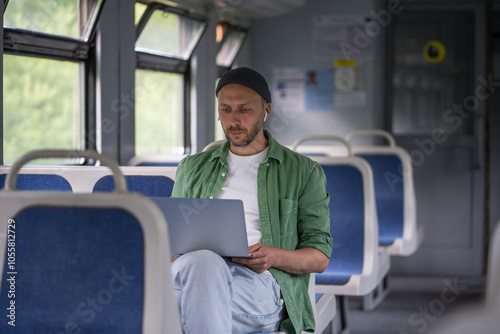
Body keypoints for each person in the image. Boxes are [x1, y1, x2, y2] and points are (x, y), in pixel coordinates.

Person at [170, 67, 333, 334]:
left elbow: (319, 257)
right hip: (189, 272)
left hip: (257, 281)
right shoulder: (191, 168)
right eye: (225, 110)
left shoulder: (303, 172)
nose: (233, 120)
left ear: (266, 110)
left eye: (244, 110)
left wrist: (272, 256)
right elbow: (174, 241)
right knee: (201, 263)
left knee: (174, 295)